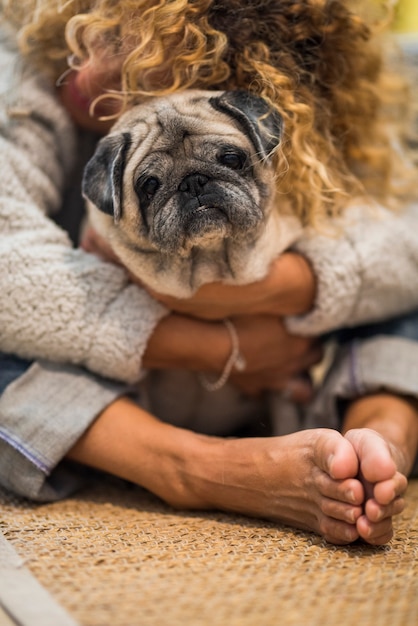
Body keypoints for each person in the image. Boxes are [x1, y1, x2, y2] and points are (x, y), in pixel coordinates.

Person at [1, 0, 418, 547]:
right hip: (115, 381)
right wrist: (207, 342)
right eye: (98, 32)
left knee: (394, 293)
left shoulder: (300, 121)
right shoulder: (21, 72)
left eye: (140, 73)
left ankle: (377, 440)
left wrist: (288, 286)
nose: (88, 72)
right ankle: (191, 467)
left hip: (284, 352)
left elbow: (400, 235)